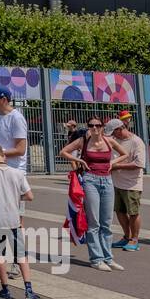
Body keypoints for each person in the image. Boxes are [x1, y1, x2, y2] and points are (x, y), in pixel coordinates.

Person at [0, 144, 44, 299]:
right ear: (4, 156)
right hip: (14, 220)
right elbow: (29, 196)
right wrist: (15, 198)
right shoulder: (18, 173)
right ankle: (29, 290)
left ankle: (5, 290)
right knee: (21, 255)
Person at [59, 115, 125, 271]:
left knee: (107, 222)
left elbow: (124, 154)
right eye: (91, 125)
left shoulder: (109, 141)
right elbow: (63, 152)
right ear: (88, 126)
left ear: (102, 127)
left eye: (97, 125)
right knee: (94, 222)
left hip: (107, 180)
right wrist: (81, 161)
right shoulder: (83, 140)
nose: (94, 128)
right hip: (90, 181)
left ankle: (108, 258)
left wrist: (112, 162)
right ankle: (96, 259)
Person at [105, 116, 146, 254]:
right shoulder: (115, 140)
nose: (112, 136)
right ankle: (126, 236)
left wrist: (116, 166)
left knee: (133, 212)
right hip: (116, 183)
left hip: (132, 184)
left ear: (120, 129)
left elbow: (139, 164)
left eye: (113, 132)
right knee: (120, 211)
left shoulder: (136, 142)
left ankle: (134, 239)